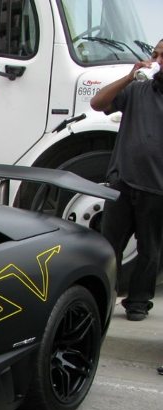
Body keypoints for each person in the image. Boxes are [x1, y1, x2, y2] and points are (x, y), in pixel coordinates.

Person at [90, 40, 163, 321]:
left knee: (150, 250)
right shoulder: (137, 88)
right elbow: (98, 103)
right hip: (123, 181)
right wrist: (129, 75)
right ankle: (104, 297)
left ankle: (138, 303)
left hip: (156, 187)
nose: (154, 59)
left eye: (160, 55)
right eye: (154, 53)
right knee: (109, 246)